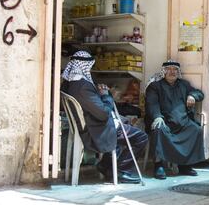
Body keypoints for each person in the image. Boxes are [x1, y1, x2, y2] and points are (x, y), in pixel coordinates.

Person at [61, 50, 148, 183]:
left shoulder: (69, 83)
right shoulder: (83, 87)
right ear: (85, 65)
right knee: (141, 137)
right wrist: (106, 95)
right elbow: (103, 115)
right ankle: (121, 170)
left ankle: (106, 166)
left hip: (88, 125)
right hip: (96, 129)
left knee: (126, 124)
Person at [145, 60, 205, 179]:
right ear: (164, 72)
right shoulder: (155, 86)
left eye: (175, 70)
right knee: (158, 129)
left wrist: (192, 96)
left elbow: (200, 93)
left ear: (178, 72)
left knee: (196, 129)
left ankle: (184, 165)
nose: (172, 72)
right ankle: (159, 165)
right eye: (169, 69)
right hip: (165, 122)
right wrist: (157, 117)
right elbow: (152, 103)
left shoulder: (184, 85)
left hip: (183, 123)